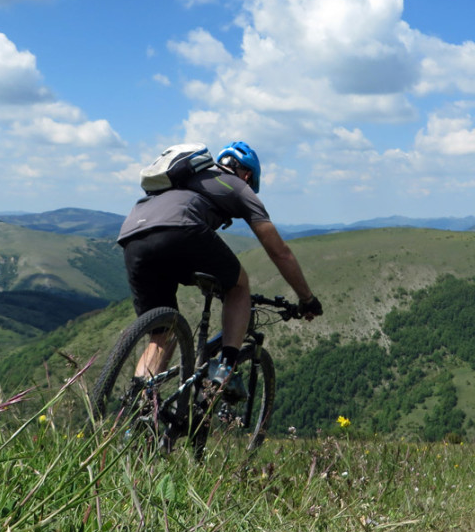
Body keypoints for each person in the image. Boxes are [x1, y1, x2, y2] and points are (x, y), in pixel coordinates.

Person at [117, 141, 322, 390]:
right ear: (247, 174)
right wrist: (307, 298)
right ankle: (224, 370)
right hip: (181, 229)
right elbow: (280, 253)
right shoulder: (238, 186)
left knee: (162, 334)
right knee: (238, 285)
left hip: (132, 234)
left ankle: (138, 408)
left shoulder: (184, 181)